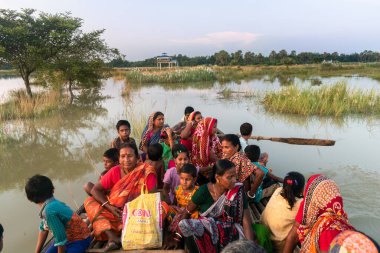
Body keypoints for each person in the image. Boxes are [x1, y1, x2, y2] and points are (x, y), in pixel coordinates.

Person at [84, 143, 157, 251]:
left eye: (130, 156)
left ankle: (125, 231)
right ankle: (112, 237)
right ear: (119, 159)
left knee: (163, 206)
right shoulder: (115, 171)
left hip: (138, 215)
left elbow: (151, 200)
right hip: (115, 213)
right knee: (89, 201)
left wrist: (132, 211)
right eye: (122, 156)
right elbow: (95, 189)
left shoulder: (147, 171)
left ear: (137, 157)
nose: (126, 159)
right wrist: (110, 207)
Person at [176, 159, 254, 253]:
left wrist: (250, 247)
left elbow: (246, 223)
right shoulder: (203, 191)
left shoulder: (238, 191)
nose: (234, 180)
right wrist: (178, 237)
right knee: (189, 226)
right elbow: (187, 212)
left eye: (235, 176)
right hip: (208, 234)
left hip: (230, 234)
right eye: (230, 177)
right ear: (217, 177)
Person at [283, 174, 355, 253]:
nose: (305, 194)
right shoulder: (341, 220)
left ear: (314, 196)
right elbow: (294, 234)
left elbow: (293, 235)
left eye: (308, 192)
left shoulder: (329, 230)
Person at [25, 175, 91, 253]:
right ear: (52, 190)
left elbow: (61, 240)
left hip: (79, 239)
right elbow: (43, 229)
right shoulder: (50, 203)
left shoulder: (49, 210)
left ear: (31, 198)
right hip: (67, 238)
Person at [260, 172, 305, 253]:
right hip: (278, 246)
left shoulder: (278, 190)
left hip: (263, 236)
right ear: (302, 189)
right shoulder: (301, 204)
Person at [221, 134, 264, 200]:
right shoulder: (227, 156)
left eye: (227, 147)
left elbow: (260, 173)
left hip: (237, 194)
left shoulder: (240, 158)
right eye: (222, 147)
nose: (223, 150)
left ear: (236, 147)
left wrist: (251, 194)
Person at [191, 117, 222, 184]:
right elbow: (211, 158)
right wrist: (222, 162)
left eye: (216, 127)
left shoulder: (213, 136)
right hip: (204, 168)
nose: (216, 129)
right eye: (214, 127)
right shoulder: (202, 138)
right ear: (208, 127)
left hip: (211, 162)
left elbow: (220, 149)